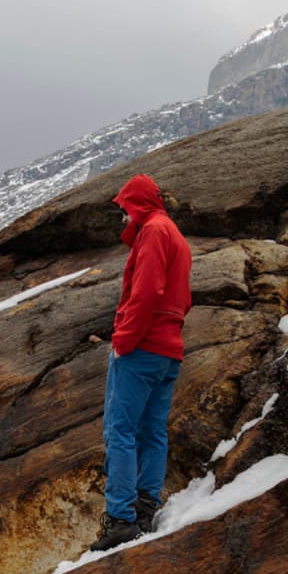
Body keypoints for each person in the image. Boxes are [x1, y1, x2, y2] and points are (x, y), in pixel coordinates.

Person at [91, 174, 192, 551]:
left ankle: (120, 519)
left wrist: (123, 341)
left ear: (136, 205)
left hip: (142, 349)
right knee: (153, 431)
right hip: (169, 351)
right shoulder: (176, 235)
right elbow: (183, 298)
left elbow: (147, 292)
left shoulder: (152, 231)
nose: (122, 217)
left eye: (123, 208)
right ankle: (146, 506)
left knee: (120, 431)